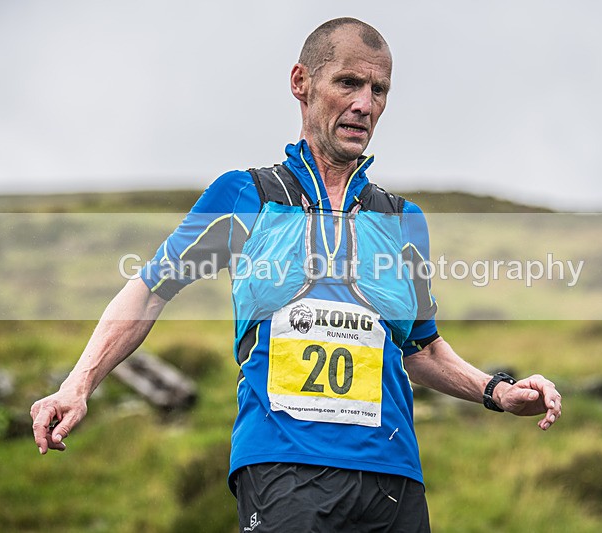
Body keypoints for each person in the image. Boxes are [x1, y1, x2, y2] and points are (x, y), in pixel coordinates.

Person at [31, 17, 562, 532]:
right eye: (349, 83)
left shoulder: (402, 220)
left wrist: (497, 392)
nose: (365, 104)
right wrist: (78, 385)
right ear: (301, 83)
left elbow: (421, 350)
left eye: (379, 90)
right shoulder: (247, 196)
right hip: (283, 469)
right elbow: (149, 291)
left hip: (393, 479)